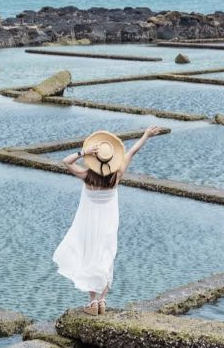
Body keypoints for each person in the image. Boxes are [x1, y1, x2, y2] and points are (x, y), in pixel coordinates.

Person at [53, 125, 163, 315]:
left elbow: (66, 161)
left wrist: (83, 152)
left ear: (93, 160)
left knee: (90, 257)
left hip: (88, 225)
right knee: (106, 258)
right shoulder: (116, 175)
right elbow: (132, 151)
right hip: (109, 225)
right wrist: (145, 135)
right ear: (111, 159)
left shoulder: (87, 176)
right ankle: (103, 300)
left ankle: (93, 302)